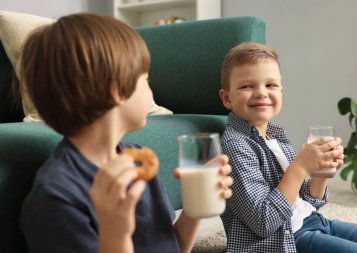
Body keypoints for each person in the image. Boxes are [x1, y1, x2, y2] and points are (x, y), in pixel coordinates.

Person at [18, 13, 233, 253]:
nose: (151, 92)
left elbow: (171, 247)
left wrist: (194, 208)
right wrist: (115, 233)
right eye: (146, 80)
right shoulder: (56, 197)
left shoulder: (137, 159)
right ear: (118, 92)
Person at [218, 42, 357, 253]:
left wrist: (320, 173)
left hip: (315, 223)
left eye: (270, 85)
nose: (261, 93)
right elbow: (263, 221)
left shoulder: (276, 137)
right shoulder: (235, 146)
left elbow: (305, 201)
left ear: (281, 91)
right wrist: (300, 167)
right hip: (284, 241)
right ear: (227, 98)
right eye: (247, 86)